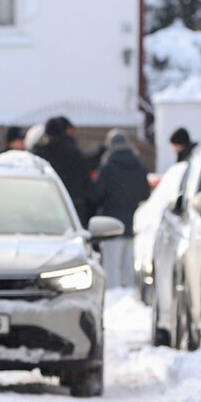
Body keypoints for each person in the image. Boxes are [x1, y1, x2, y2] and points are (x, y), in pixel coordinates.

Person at [87, 130, 148, 290]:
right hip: (132, 223)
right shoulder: (139, 166)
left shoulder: (108, 167)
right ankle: (130, 296)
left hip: (111, 224)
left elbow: (96, 194)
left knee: (112, 266)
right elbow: (145, 193)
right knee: (128, 265)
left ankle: (114, 298)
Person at [33, 115, 93, 215]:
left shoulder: (41, 153)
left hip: (46, 204)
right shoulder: (75, 153)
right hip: (73, 205)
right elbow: (86, 181)